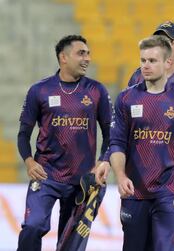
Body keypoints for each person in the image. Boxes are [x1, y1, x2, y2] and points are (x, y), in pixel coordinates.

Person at [109, 35, 174, 251]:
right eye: (143, 60)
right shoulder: (126, 99)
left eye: (152, 61)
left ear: (167, 63)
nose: (146, 66)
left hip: (170, 189)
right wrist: (121, 176)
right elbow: (116, 143)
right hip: (135, 190)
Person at [17, 35, 112, 251]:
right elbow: (23, 134)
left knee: (69, 242)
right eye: (81, 53)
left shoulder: (97, 91)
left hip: (81, 180)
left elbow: (111, 133)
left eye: (88, 53)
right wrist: (29, 161)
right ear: (63, 57)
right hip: (46, 175)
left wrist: (103, 161)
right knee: (32, 227)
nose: (87, 58)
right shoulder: (39, 90)